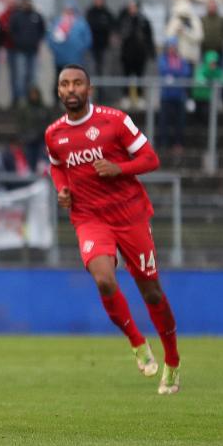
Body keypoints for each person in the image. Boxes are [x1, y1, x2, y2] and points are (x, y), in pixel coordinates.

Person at [45, 64, 180, 396]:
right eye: (65, 84)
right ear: (59, 91)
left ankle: (173, 361)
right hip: (89, 218)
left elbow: (151, 159)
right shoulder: (54, 134)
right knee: (104, 278)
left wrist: (120, 168)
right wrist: (62, 190)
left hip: (130, 216)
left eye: (78, 83)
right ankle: (137, 342)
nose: (71, 89)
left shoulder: (114, 121)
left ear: (89, 89)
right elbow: (57, 167)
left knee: (151, 291)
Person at [9, 0, 45, 106]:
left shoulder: (36, 16)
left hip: (33, 51)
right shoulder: (16, 16)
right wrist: (18, 42)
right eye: (24, 1)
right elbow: (11, 31)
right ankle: (21, 99)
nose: (26, 4)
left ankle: (32, 100)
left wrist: (36, 41)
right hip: (20, 51)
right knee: (20, 75)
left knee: (33, 77)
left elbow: (42, 30)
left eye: (28, 1)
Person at [157, 37, 191, 152]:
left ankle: (178, 143)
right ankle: (163, 143)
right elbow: (163, 70)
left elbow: (186, 72)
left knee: (180, 122)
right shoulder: (163, 59)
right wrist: (176, 73)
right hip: (166, 96)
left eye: (174, 46)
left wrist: (173, 74)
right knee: (164, 121)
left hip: (179, 96)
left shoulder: (181, 59)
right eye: (170, 46)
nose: (172, 49)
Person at [117, 0, 155, 104]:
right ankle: (126, 97)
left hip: (140, 55)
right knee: (126, 76)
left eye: (134, 7)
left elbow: (149, 37)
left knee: (140, 76)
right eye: (130, 7)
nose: (132, 9)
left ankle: (140, 97)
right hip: (127, 55)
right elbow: (120, 32)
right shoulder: (124, 20)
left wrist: (151, 52)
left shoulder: (143, 20)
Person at [47, 0, 92, 84]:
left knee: (75, 79)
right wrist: (55, 51)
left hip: (76, 59)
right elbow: (50, 38)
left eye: (71, 9)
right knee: (60, 79)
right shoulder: (57, 22)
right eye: (67, 9)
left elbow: (87, 39)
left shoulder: (81, 23)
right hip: (60, 59)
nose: (69, 11)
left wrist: (80, 50)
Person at [191, 50, 223, 126]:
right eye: (211, 63)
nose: (213, 65)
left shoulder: (217, 71)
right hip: (199, 96)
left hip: (208, 97)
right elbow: (199, 78)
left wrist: (221, 82)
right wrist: (207, 82)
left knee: (207, 113)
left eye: (214, 63)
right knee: (199, 113)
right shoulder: (202, 69)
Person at [165, 0, 203, 69]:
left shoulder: (194, 20)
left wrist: (185, 31)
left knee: (191, 78)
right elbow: (168, 37)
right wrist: (176, 30)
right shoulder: (175, 20)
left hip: (192, 57)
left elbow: (198, 37)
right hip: (177, 58)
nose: (182, 18)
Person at [85, 0, 115, 76]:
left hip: (104, 44)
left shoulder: (107, 12)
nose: (98, 2)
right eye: (97, 0)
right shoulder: (90, 12)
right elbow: (88, 25)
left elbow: (112, 25)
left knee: (103, 65)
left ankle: (102, 85)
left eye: (100, 1)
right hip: (92, 44)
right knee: (92, 65)